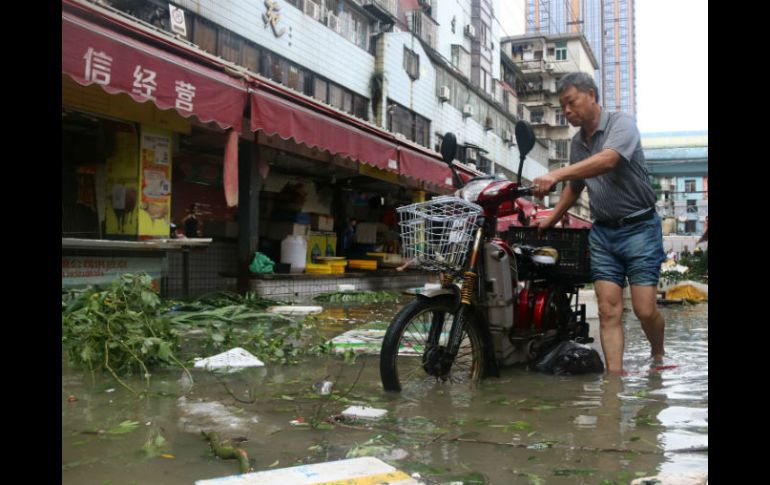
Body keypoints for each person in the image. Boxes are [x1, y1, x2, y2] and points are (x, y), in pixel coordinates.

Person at [531, 72, 666, 374]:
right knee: (608, 311)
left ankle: (658, 353)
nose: (566, 111)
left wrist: (556, 173)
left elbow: (608, 160)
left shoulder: (622, 124)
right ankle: (614, 380)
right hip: (604, 233)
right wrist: (552, 218)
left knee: (645, 310)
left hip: (640, 228)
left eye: (570, 102)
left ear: (591, 95)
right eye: (562, 106)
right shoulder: (577, 143)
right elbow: (577, 185)